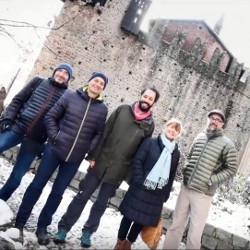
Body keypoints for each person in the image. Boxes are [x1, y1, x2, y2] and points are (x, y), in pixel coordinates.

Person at [54, 86, 160, 248]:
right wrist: (94, 155)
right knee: (82, 196)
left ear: (153, 103)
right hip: (101, 161)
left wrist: (129, 174)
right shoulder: (122, 110)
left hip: (119, 170)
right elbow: (105, 132)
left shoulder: (149, 125)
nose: (146, 100)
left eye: (150, 99)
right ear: (141, 96)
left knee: (101, 203)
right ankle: (64, 227)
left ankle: (88, 232)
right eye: (145, 96)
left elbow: (140, 152)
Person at [14, 71, 109, 246]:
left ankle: (42, 227)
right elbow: (51, 116)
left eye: (102, 84)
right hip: (54, 150)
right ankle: (20, 222)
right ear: (89, 81)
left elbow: (99, 133)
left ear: (103, 88)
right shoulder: (70, 96)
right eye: (96, 80)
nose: (98, 84)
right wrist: (54, 136)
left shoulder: (102, 109)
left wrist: (88, 148)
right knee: (36, 185)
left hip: (74, 159)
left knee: (57, 193)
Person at [162, 109, 238, 250]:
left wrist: (212, 179)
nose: (214, 121)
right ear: (208, 119)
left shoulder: (227, 144)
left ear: (222, 124)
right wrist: (186, 169)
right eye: (212, 118)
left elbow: (232, 168)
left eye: (218, 119)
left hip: (203, 194)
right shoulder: (199, 136)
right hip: (186, 189)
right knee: (175, 227)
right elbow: (190, 156)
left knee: (194, 234)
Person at [0, 63, 72, 201]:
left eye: (66, 73)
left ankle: (1, 200)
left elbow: (60, 122)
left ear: (69, 79)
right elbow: (18, 100)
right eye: (60, 71)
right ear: (55, 71)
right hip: (17, 127)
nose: (61, 75)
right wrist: (8, 119)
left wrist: (49, 143)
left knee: (18, 175)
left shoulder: (67, 96)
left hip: (36, 140)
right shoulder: (38, 81)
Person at [115, 118, 182, 250]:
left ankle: (128, 243)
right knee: (129, 216)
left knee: (142, 220)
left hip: (157, 192)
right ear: (166, 127)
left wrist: (166, 193)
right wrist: (140, 180)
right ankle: (119, 242)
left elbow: (171, 174)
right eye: (171, 127)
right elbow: (138, 161)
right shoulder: (150, 142)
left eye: (176, 130)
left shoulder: (175, 152)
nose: (173, 131)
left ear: (178, 134)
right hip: (140, 187)